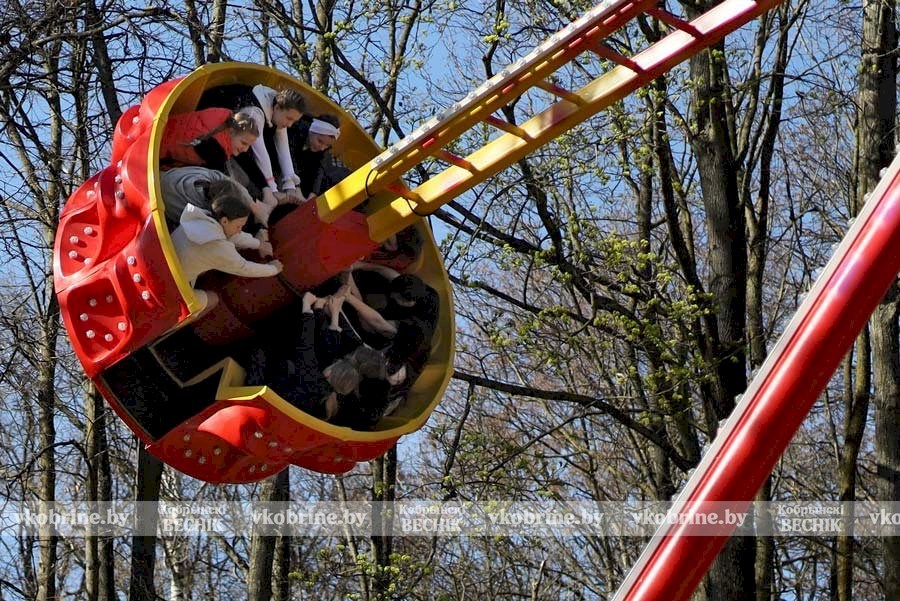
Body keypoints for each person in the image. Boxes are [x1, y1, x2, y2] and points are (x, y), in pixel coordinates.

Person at [171, 192, 283, 317]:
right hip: (171, 288)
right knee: (213, 300)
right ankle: (179, 321)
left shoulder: (202, 218)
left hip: (164, 265)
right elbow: (244, 268)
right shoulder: (218, 247)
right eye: (238, 226)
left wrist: (259, 244)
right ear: (224, 221)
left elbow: (233, 236)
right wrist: (273, 269)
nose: (240, 230)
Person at [196, 83, 306, 202]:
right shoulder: (254, 113)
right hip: (209, 140)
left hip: (229, 143)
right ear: (277, 108)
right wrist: (272, 190)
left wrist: (290, 185)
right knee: (241, 179)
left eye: (294, 121)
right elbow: (260, 153)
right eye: (289, 119)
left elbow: (283, 148)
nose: (289, 125)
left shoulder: (279, 111)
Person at [159, 107, 262, 173]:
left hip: (162, 126)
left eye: (249, 145)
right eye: (244, 143)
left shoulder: (223, 118)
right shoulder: (215, 149)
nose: (245, 149)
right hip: (158, 150)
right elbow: (219, 179)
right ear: (231, 132)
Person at [285, 113, 341, 200]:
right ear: (312, 131)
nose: (322, 148)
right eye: (320, 141)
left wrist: (313, 193)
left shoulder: (322, 151)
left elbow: (318, 169)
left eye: (327, 145)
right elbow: (288, 157)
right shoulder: (294, 131)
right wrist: (297, 187)